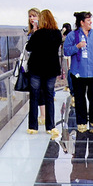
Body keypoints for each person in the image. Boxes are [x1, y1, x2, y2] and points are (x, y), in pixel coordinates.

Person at [63, 11, 93, 133]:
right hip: (78, 73)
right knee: (79, 98)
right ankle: (81, 123)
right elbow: (66, 51)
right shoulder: (72, 35)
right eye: (88, 20)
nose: (91, 22)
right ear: (82, 22)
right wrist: (76, 47)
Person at [25, 9, 63, 137]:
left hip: (36, 69)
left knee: (34, 97)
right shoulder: (57, 34)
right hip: (51, 69)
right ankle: (50, 126)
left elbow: (29, 48)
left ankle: (33, 126)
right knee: (49, 97)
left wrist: (35, 31)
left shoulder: (38, 34)